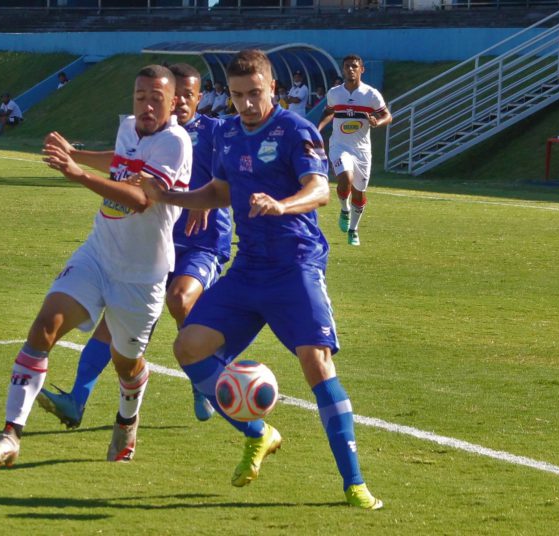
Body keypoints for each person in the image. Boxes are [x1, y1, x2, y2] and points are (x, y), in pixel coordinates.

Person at [140, 49, 383, 510]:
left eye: (255, 94)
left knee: (316, 362)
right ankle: (259, 432)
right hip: (248, 269)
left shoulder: (296, 130)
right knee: (188, 347)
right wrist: (167, 196)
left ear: (273, 89)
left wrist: (282, 204)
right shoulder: (228, 132)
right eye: (236, 96)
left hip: (294, 267)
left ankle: (353, 483)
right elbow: (219, 190)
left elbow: (318, 190)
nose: (246, 104)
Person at [0, 64, 192, 466]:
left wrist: (77, 174)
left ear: (174, 102)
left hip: (142, 274)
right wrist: (75, 154)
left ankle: (127, 419)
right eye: (140, 97)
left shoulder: (176, 142)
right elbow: (119, 161)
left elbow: (141, 198)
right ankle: (10, 434)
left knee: (126, 365)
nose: (146, 106)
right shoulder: (128, 126)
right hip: (98, 253)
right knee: (44, 326)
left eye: (156, 99)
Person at [36, 63, 232, 427]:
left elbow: (235, 173)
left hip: (202, 242)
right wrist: (76, 156)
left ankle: (199, 369)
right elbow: (120, 162)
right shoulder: (145, 132)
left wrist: (202, 199)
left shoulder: (214, 131)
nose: (183, 103)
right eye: (179, 95)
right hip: (154, 243)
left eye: (189, 96)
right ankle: (77, 399)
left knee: (181, 299)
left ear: (195, 98)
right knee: (111, 323)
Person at [317, 54, 392, 246]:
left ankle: (354, 229)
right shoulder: (335, 93)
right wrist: (317, 130)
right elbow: (329, 112)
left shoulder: (371, 94)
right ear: (343, 70)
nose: (351, 69)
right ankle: (344, 210)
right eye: (347, 66)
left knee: (359, 192)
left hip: (362, 150)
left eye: (354, 66)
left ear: (361, 70)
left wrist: (377, 122)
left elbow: (387, 116)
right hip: (339, 145)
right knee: (345, 178)